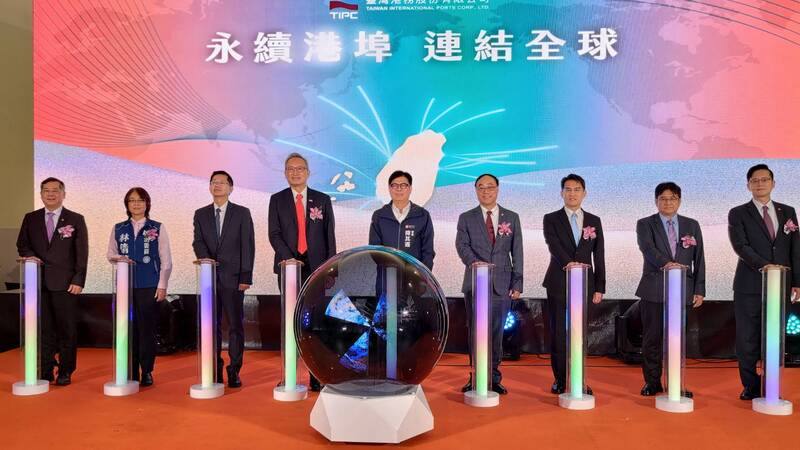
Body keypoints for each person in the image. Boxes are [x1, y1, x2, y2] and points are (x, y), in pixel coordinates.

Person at [728, 164, 800, 400]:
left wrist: (797, 281)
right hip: (749, 286)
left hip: (781, 285)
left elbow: (795, 249)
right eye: (755, 180)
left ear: (773, 183)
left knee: (775, 338)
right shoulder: (738, 213)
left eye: (764, 179)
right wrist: (764, 265)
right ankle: (750, 385)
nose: (760, 184)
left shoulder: (788, 211)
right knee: (747, 338)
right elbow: (741, 246)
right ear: (748, 185)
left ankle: (771, 384)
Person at [268, 153, 336, 391]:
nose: (295, 172)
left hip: (317, 267)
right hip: (288, 267)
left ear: (308, 173)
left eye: (300, 169)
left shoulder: (322, 199)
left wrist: (330, 269)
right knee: (290, 321)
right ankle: (289, 375)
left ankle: (317, 374)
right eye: (290, 169)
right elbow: (274, 234)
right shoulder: (276, 200)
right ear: (285, 173)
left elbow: (329, 236)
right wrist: (290, 258)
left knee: (315, 321)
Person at [16, 177, 89, 386]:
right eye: (46, 190)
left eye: (55, 190)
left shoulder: (75, 219)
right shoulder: (31, 218)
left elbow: (81, 253)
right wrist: (31, 257)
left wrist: (79, 279)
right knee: (43, 329)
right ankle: (46, 369)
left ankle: (66, 371)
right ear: (40, 194)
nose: (50, 194)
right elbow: (22, 244)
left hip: (66, 284)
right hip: (37, 283)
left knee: (67, 329)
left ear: (63, 194)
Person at [455, 173, 523, 395]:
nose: (486, 191)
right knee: (476, 332)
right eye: (481, 187)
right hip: (476, 283)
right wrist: (476, 264)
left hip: (501, 285)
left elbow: (517, 252)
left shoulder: (511, 217)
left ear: (498, 189)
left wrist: (518, 282)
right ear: (476, 190)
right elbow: (462, 245)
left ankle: (493, 377)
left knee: (495, 333)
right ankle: (475, 377)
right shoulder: (466, 217)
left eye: (490, 187)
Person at [635, 182, 705, 397]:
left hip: (683, 289)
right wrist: (668, 264)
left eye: (672, 198)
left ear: (679, 201)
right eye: (663, 198)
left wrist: (699, 289)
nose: (668, 202)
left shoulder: (691, 225)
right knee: (652, 339)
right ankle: (652, 382)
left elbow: (699, 258)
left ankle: (677, 383)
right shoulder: (645, 223)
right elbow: (647, 248)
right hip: (654, 288)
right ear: (656, 201)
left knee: (677, 340)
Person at [542, 174, 605, 395]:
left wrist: (600, 286)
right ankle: (560, 379)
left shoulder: (594, 220)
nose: (572, 193)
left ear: (584, 193)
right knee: (559, 333)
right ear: (562, 193)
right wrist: (571, 264)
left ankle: (578, 378)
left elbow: (599, 254)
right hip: (559, 282)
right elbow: (554, 245)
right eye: (568, 189)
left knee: (579, 333)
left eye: (577, 189)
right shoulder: (550, 218)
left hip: (585, 284)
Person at [192, 170, 255, 388]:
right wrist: (205, 259)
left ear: (231, 187)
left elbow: (248, 245)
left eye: (222, 182)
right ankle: (215, 368)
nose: (217, 186)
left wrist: (246, 276)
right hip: (210, 278)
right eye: (213, 182)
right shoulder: (200, 214)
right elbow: (197, 242)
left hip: (235, 278)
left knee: (235, 326)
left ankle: (234, 369)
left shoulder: (242, 213)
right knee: (211, 326)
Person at [106, 187, 173, 387]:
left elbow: (166, 259)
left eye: (140, 200)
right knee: (128, 329)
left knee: (147, 330)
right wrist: (119, 258)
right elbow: (110, 254)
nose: (136, 204)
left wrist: (162, 285)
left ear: (147, 203)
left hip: (149, 285)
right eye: (132, 200)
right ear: (127, 204)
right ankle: (130, 369)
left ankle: (147, 370)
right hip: (125, 286)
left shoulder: (157, 227)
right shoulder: (119, 228)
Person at [368, 170, 435, 269]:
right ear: (389, 189)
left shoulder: (422, 215)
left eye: (403, 185)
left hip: (415, 275)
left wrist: (422, 276)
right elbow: (375, 250)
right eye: (394, 185)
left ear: (410, 188)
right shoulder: (379, 216)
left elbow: (428, 251)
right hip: (387, 274)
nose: (399, 189)